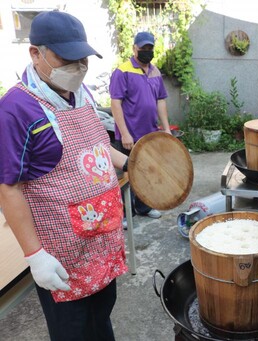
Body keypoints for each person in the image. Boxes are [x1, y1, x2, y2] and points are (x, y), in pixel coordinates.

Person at [0, 11, 129, 341]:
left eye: (83, 58)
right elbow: (8, 187)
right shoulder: (16, 108)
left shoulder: (80, 92)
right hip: (63, 256)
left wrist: (131, 164)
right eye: (67, 59)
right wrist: (35, 257)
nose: (79, 67)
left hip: (102, 242)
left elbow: (99, 145)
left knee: (102, 318)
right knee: (74, 330)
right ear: (35, 53)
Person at [109, 31, 170, 219]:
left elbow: (160, 100)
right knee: (126, 175)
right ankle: (125, 215)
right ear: (134, 48)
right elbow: (115, 103)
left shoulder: (155, 71)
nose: (146, 51)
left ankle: (143, 207)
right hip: (130, 135)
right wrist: (125, 134)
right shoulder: (123, 71)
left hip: (149, 133)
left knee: (146, 172)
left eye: (150, 48)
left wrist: (166, 128)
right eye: (143, 48)